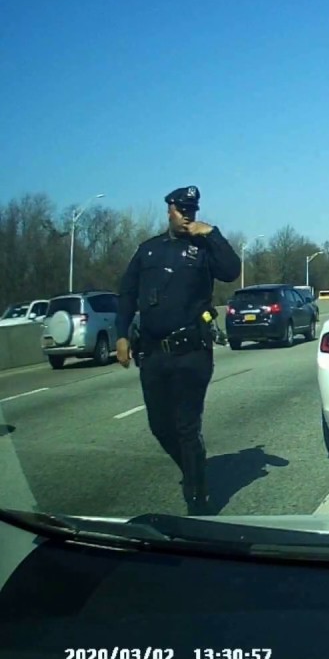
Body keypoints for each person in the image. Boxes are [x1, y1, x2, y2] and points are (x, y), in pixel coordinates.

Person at [115, 186, 241, 515]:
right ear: (169, 210)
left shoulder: (203, 248)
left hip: (191, 352)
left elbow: (231, 271)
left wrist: (212, 234)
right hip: (153, 352)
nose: (187, 216)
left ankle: (197, 499)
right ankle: (193, 468)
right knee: (160, 425)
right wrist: (121, 335)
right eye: (181, 210)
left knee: (187, 426)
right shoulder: (148, 251)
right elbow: (127, 293)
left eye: (192, 211)